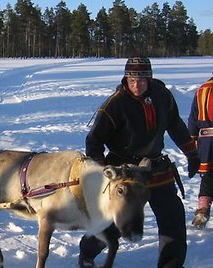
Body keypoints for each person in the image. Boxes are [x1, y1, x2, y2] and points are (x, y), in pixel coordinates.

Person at [80, 57, 200, 268]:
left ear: (150, 78)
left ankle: (170, 263)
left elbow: (176, 127)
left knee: (172, 216)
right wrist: (101, 171)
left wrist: (192, 154)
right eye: (132, 80)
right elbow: (94, 141)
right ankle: (88, 252)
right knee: (115, 222)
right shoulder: (115, 104)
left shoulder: (163, 96)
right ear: (126, 78)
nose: (136, 85)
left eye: (141, 80)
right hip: (124, 172)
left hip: (155, 168)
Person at [188, 76, 213, 229]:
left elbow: (193, 120)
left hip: (207, 142)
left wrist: (192, 140)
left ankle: (203, 209)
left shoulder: (202, 90)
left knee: (209, 175)